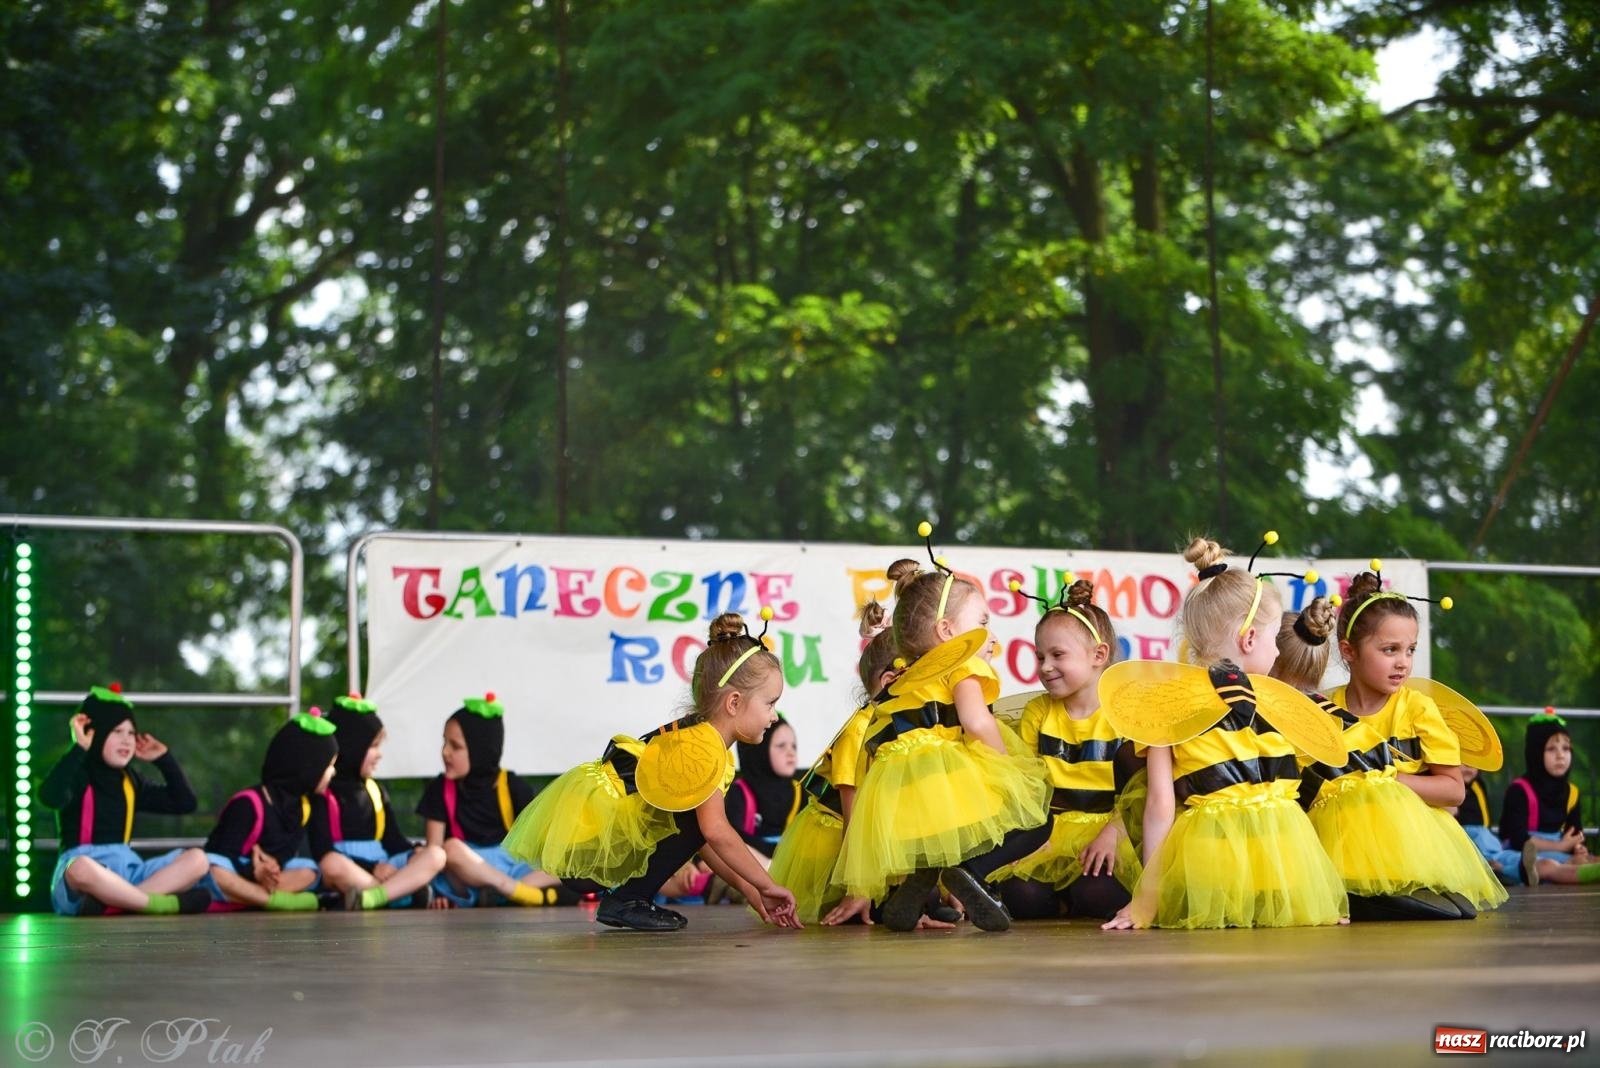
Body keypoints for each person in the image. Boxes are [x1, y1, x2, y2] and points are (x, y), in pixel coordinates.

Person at [1103, 534, 1348, 930]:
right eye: (1273, 640)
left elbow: (1160, 808)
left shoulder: (1173, 705)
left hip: (1234, 868)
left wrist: (1148, 898)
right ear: (1250, 638)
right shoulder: (1269, 702)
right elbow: (1161, 805)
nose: (1276, 652)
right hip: (1259, 868)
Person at [503, 610, 801, 931]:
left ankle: (630, 896)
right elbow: (714, 833)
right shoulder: (702, 748)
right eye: (770, 703)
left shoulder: (704, 743)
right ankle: (629, 898)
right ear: (734, 703)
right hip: (592, 850)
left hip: (598, 849)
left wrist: (749, 889)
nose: (774, 716)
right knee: (700, 822)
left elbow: (699, 839)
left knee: (693, 820)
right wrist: (768, 885)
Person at [829, 526, 1050, 932]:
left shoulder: (901, 680)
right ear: (948, 632)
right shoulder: (961, 662)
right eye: (982, 622)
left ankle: (917, 886)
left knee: (936, 841)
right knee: (1036, 820)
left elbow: (877, 744)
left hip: (898, 790)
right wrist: (1009, 768)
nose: (991, 637)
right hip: (945, 772)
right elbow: (976, 720)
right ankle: (970, 873)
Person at [1326, 567, 1507, 917]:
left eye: (1410, 650)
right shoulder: (1324, 709)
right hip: (1341, 843)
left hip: (1409, 846)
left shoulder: (1418, 708)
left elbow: (1454, 790)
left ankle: (1391, 897)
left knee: (1452, 912)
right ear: (1348, 651)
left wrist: (1389, 782)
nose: (1403, 662)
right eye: (1389, 649)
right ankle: (1357, 897)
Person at [994, 577, 1141, 920]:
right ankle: (1060, 900)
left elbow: (1140, 791)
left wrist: (1112, 834)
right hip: (1053, 830)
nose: (1045, 667)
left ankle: (1074, 899)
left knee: (1098, 893)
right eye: (1040, 656)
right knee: (1022, 895)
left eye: (1057, 655)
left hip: (1109, 828)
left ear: (1098, 655)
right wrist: (1031, 838)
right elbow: (1029, 786)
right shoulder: (1039, 712)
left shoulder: (1125, 714)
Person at [42, 685, 210, 916]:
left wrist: (164, 760)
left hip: (129, 871)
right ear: (96, 734)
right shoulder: (78, 772)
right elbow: (49, 796)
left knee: (198, 860)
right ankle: (159, 903)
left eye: (131, 733)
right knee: (79, 869)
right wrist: (78, 749)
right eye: (117, 732)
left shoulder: (130, 781)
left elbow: (184, 802)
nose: (127, 740)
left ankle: (118, 903)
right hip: (89, 872)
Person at [417, 694, 570, 907]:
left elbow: (540, 844)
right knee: (450, 849)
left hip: (514, 867)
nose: (445, 752)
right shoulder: (439, 789)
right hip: (467, 870)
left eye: (455, 746)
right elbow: (434, 853)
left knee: (568, 860)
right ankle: (515, 892)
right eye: (444, 743)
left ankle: (501, 892)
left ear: (481, 749)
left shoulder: (512, 786)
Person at [310, 693, 446, 910]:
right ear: (352, 746)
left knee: (436, 854)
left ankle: (375, 898)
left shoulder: (375, 791)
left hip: (385, 868)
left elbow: (392, 841)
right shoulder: (323, 794)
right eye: (373, 746)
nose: (379, 755)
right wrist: (373, 868)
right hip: (353, 869)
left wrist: (415, 852)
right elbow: (321, 850)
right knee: (331, 864)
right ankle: (401, 896)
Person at [201, 709, 338, 911]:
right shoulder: (248, 804)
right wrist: (254, 870)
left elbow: (285, 855)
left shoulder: (304, 806)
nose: (333, 772)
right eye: (329, 765)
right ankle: (274, 901)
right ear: (307, 766)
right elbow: (221, 854)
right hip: (236, 871)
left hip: (260, 880)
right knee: (213, 868)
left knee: (310, 871)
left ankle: (249, 898)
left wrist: (271, 869)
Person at [1499, 710, 1600, 887]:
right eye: (1551, 748)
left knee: (1586, 859)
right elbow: (1518, 839)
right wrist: (1561, 846)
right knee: (1555, 865)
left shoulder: (1571, 792)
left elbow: (1575, 833)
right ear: (1536, 753)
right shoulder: (1519, 790)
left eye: (1566, 748)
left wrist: (1577, 847)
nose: (1561, 755)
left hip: (1559, 850)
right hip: (1524, 853)